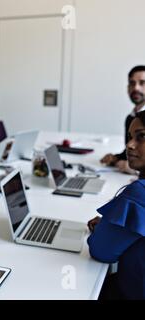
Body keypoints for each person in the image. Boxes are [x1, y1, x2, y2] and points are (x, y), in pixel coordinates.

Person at [87, 110, 145, 300]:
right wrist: (113, 226)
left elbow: (101, 251)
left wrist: (103, 230)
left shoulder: (139, 193)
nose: (129, 145)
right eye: (129, 137)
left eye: (141, 137)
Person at [100, 66, 145, 175]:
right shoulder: (131, 117)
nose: (136, 88)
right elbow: (132, 148)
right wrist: (115, 158)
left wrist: (135, 170)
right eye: (132, 83)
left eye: (142, 83)